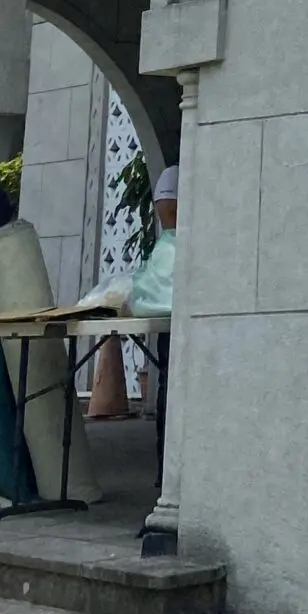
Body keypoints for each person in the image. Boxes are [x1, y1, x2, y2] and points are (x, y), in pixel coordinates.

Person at [129, 165, 178, 486]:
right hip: (170, 330)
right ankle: (166, 474)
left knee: (173, 399)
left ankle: (169, 476)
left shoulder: (177, 244)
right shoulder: (168, 244)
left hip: (184, 332)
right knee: (168, 398)